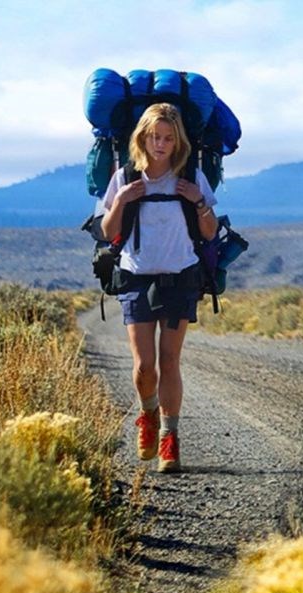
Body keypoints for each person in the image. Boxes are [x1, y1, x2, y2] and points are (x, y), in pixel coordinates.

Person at [99, 102, 218, 473]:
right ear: (143, 138)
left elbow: (209, 232)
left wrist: (198, 201)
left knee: (169, 360)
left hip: (180, 277)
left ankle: (169, 438)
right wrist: (121, 200)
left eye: (168, 138)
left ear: (178, 141)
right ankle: (148, 413)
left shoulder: (191, 177)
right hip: (136, 277)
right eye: (155, 137)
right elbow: (107, 231)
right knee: (144, 366)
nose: (161, 144)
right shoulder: (125, 177)